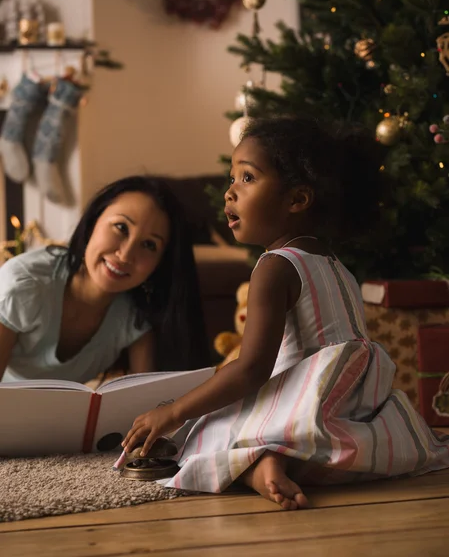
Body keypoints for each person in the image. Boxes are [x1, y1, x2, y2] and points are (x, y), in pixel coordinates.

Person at [121, 117, 449, 510]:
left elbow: (253, 370)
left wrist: (174, 411)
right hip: (352, 415)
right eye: (232, 178)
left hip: (306, 409)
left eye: (247, 178)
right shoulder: (336, 266)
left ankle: (260, 465)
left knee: (199, 432)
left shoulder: (274, 267)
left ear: (296, 200)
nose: (229, 192)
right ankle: (293, 458)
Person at [0, 175, 210, 383]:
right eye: (121, 227)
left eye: (149, 245)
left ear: (160, 263)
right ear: (93, 222)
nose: (125, 255)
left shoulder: (134, 315)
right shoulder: (24, 284)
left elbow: (144, 404)